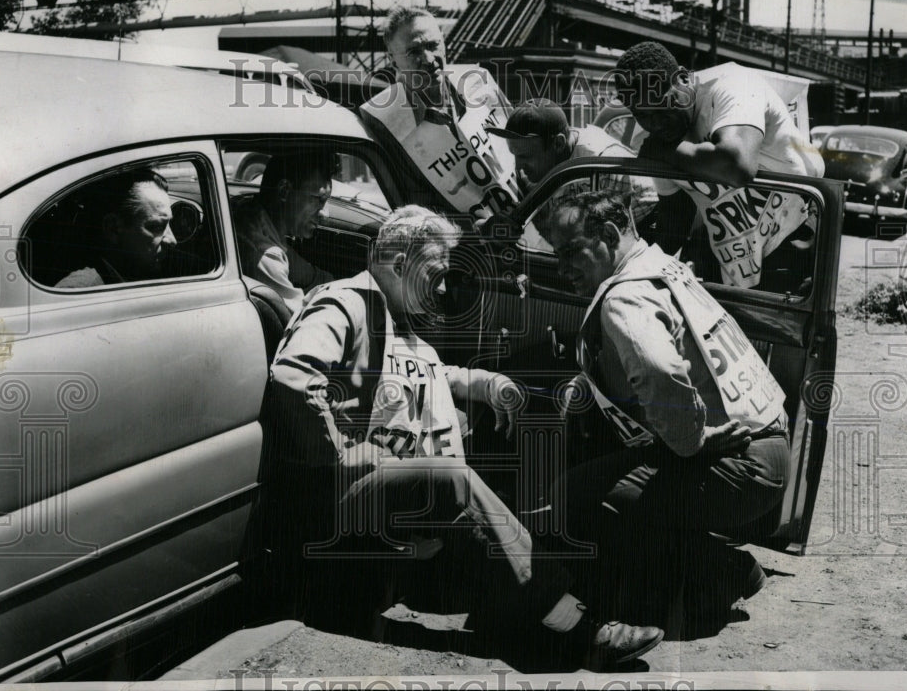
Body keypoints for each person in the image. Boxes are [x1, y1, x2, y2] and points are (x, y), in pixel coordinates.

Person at [263, 204, 663, 671]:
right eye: (435, 271)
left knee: (508, 452)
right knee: (451, 476)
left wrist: (489, 386)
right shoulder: (348, 301)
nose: (442, 285)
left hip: (394, 507)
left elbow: (433, 371)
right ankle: (576, 624)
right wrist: (341, 453)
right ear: (399, 263)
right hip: (338, 500)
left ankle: (518, 605)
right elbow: (294, 376)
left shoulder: (399, 322)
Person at [543, 190, 791, 629]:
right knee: (615, 475)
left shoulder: (626, 296)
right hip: (765, 448)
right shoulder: (661, 265)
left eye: (570, 252)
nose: (562, 269)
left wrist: (691, 443)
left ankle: (704, 582)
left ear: (608, 234)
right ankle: (724, 568)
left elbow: (659, 369)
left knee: (578, 496)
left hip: (738, 463)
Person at [614, 41, 824, 289]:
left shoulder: (733, 86)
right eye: (643, 115)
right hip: (731, 254)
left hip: (791, 227)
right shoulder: (650, 139)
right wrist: (638, 272)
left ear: (682, 79)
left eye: (663, 105)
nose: (656, 123)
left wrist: (667, 152)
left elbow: (737, 167)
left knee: (780, 325)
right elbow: (676, 216)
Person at [359, 7, 520, 222]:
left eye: (433, 45)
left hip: (530, 219)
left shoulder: (478, 80)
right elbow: (413, 208)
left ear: (444, 43)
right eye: (414, 52)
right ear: (392, 60)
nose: (428, 59)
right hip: (466, 246)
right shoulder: (384, 120)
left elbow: (523, 147)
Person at [485, 97, 657, 224]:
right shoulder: (551, 160)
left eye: (525, 157)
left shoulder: (601, 164)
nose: (519, 167)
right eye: (514, 155)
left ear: (558, 143)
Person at [232, 155, 336, 317]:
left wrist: (333, 282)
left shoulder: (251, 214)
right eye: (318, 199)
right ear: (284, 191)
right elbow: (302, 322)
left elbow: (305, 272)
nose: (325, 214)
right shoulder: (264, 254)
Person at [56, 168, 177, 287]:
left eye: (169, 224)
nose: (172, 240)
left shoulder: (136, 273)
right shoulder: (80, 289)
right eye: (156, 227)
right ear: (113, 229)